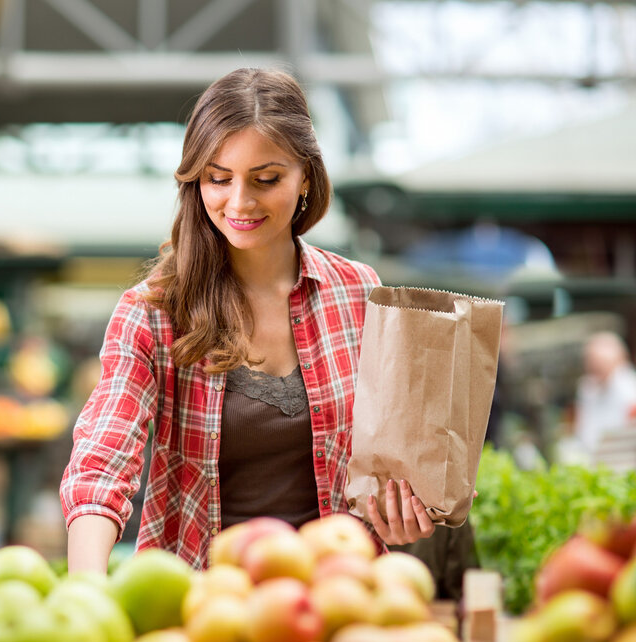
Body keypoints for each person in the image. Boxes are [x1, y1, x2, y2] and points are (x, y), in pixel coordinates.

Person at [60, 68, 436, 573]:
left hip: (338, 596)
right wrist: (87, 582)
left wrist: (405, 509)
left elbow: (394, 459)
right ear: (196, 179)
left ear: (306, 175)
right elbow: (104, 455)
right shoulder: (153, 311)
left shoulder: (357, 293)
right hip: (203, 605)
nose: (239, 202)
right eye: (218, 178)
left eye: (266, 179)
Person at [574, 331, 636, 455]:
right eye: (591, 364)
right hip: (592, 456)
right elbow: (582, 428)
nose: (594, 369)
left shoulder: (629, 386)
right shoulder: (587, 387)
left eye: (599, 364)